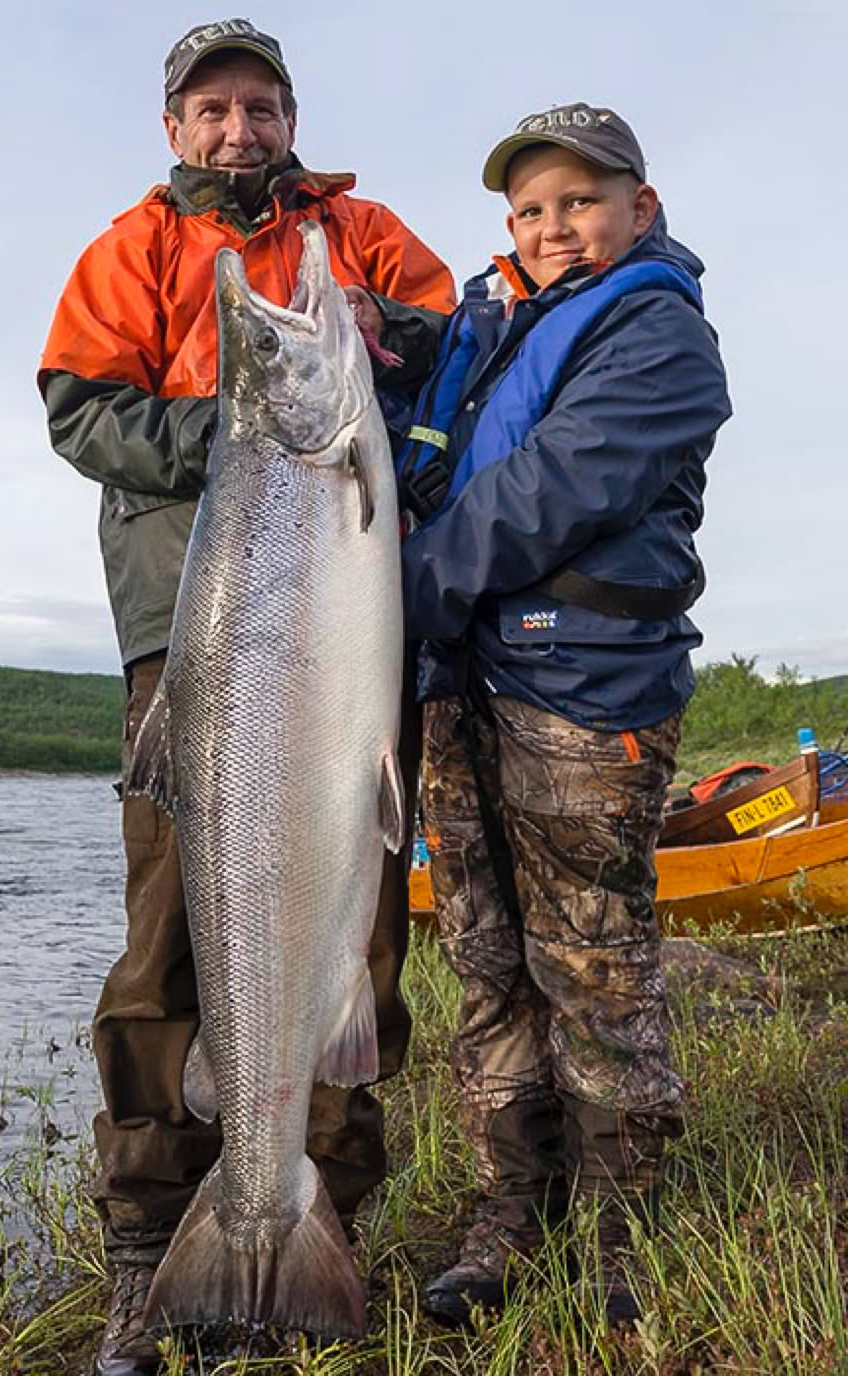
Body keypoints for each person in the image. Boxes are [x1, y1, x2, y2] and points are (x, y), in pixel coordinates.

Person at [38, 19, 455, 1374]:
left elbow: (451, 338)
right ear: (175, 128)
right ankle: (154, 1246)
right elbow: (80, 410)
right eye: (211, 109)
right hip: (190, 635)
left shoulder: (367, 230)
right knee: (166, 946)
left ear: (289, 116)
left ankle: (311, 1223)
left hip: (346, 656)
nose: (239, 128)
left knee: (355, 942)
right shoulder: (127, 253)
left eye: (261, 106)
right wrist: (239, 417)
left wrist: (375, 333)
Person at [396, 103, 731, 1327]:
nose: (554, 227)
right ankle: (507, 1210)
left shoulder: (662, 336)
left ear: (640, 208)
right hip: (463, 688)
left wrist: (400, 590)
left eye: (581, 200)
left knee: (593, 967)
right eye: (531, 209)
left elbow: (551, 488)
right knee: (487, 965)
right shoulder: (491, 335)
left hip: (585, 694)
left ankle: (621, 1232)